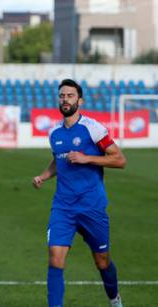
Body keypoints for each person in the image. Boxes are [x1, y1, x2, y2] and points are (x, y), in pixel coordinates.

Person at [32, 79, 126, 307]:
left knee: (102, 262)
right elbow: (59, 160)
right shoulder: (54, 133)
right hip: (63, 207)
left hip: (91, 206)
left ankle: (115, 299)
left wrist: (87, 158)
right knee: (55, 258)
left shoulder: (93, 128)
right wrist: (44, 175)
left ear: (80, 100)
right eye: (62, 95)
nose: (65, 99)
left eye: (70, 96)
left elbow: (120, 160)